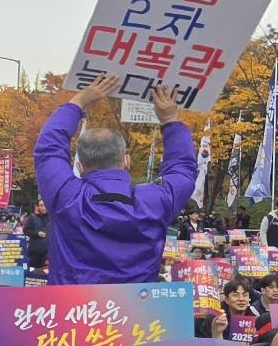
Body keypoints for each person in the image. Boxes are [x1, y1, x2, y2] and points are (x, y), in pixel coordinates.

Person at [33, 74, 197, 286]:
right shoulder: (155, 201)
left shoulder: (66, 196)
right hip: (138, 306)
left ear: (80, 167)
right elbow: (183, 169)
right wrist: (170, 119)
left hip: (72, 306)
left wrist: (79, 101)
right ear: (127, 160)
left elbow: (48, 149)